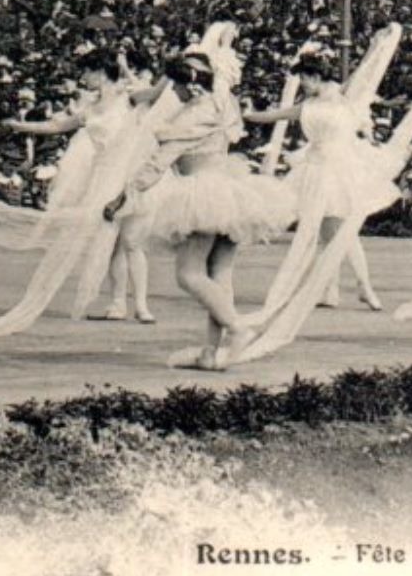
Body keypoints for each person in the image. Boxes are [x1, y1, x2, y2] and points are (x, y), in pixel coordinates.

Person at [114, 44, 291, 370]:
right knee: (219, 274)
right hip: (232, 190)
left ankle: (238, 329)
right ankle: (211, 352)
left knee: (189, 273)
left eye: (177, 86)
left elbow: (157, 164)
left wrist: (125, 193)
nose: (174, 93)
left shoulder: (192, 115)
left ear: (190, 84)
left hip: (203, 193)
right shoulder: (221, 103)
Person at [0, 49, 152, 322]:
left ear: (101, 72)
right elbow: (55, 127)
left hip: (131, 176)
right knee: (113, 243)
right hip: (103, 179)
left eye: (86, 72)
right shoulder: (89, 108)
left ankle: (141, 305)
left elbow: (153, 93)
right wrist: (19, 126)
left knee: (131, 242)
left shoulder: (128, 97)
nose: (82, 78)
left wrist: (126, 68)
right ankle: (117, 304)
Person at [243, 53, 397, 311]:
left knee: (344, 231)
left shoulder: (343, 96)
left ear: (316, 76)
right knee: (329, 234)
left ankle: (364, 286)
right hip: (315, 169)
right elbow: (274, 116)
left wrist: (376, 46)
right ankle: (330, 291)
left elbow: (363, 72)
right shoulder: (307, 106)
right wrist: (249, 115)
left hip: (340, 169)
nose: (302, 83)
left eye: (304, 77)